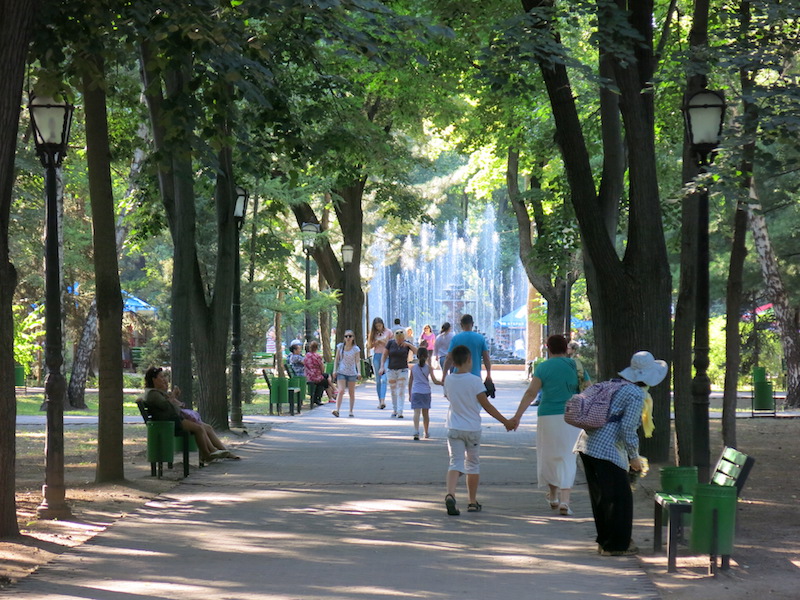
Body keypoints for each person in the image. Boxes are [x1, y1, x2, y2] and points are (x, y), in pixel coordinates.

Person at [575, 351, 666, 556]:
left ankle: (605, 541)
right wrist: (634, 456)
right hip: (606, 449)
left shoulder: (613, 384)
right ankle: (616, 545)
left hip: (587, 444)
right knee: (620, 498)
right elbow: (627, 428)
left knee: (601, 497)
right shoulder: (635, 394)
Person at [510, 334, 581, 516]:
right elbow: (588, 388)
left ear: (547, 348)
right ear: (566, 348)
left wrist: (517, 416)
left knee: (548, 455)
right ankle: (565, 500)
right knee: (568, 456)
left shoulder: (543, 367)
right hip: (572, 416)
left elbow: (531, 393)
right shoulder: (576, 366)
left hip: (548, 415)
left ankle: (554, 495)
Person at [443, 344, 513, 515]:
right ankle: (472, 502)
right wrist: (505, 421)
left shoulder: (449, 380)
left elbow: (448, 396)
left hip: (454, 426)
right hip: (472, 429)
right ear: (469, 360)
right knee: (472, 464)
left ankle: (450, 494)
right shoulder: (475, 381)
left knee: (455, 462)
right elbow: (486, 405)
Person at [143, 366, 238, 463]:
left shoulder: (157, 392)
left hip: (173, 419)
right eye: (161, 377)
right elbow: (166, 406)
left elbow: (175, 405)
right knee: (198, 428)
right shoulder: (152, 394)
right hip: (169, 423)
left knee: (207, 427)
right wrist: (173, 395)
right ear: (153, 379)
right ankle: (207, 454)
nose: (164, 380)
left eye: (164, 377)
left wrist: (170, 393)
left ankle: (224, 452)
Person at [442, 315, 492, 388]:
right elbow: (486, 358)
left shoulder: (456, 338)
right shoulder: (480, 338)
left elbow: (449, 358)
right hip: (475, 376)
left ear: (461, 325)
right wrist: (488, 375)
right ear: (473, 324)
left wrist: (444, 375)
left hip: (458, 376)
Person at [379, 328, 417, 418]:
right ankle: (395, 409)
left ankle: (400, 411)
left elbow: (417, 352)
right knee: (393, 391)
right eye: (398, 338)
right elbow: (384, 355)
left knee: (401, 391)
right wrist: (381, 367)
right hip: (391, 370)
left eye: (401, 338)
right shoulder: (390, 343)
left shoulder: (406, 344)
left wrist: (408, 345)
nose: (400, 340)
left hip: (403, 369)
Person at [408, 347, 441, 440]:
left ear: (417, 356)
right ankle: (426, 432)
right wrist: (443, 383)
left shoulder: (413, 368)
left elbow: (410, 382)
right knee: (425, 414)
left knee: (416, 412)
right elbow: (435, 381)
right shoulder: (429, 368)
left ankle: (416, 431)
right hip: (426, 392)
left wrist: (410, 394)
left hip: (416, 391)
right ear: (427, 356)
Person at [332, 330, 361, 417]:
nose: (348, 338)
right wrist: (334, 370)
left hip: (352, 372)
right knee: (341, 390)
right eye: (346, 336)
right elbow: (336, 359)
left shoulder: (356, 349)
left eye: (350, 336)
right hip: (341, 371)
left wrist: (359, 372)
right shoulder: (340, 347)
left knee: (351, 392)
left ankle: (351, 411)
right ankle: (337, 410)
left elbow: (357, 361)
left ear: (353, 338)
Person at [368, 317, 393, 409]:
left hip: (386, 356)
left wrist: (384, 341)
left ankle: (383, 400)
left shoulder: (388, 332)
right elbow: (369, 346)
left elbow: (392, 344)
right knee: (378, 380)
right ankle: (380, 401)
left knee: (384, 379)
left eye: (380, 325)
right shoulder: (373, 333)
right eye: (376, 326)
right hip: (377, 356)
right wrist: (375, 342)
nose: (379, 327)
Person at [303, 341, 335, 405]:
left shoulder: (306, 356)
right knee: (325, 381)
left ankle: (334, 392)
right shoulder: (317, 356)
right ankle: (331, 396)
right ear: (317, 348)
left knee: (326, 377)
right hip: (315, 377)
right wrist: (320, 372)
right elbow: (322, 367)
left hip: (308, 376)